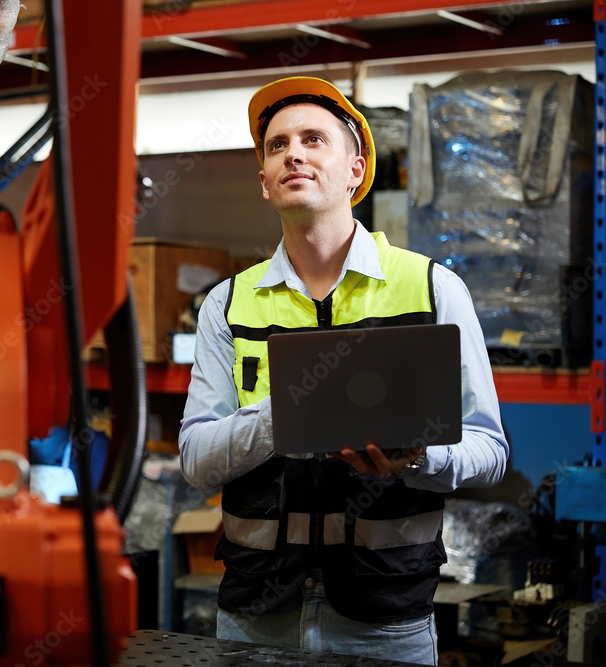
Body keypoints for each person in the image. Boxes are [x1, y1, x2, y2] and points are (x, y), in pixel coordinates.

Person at [178, 76, 508, 665]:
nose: (293, 154)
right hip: (257, 614)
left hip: (386, 618)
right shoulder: (227, 303)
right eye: (277, 146)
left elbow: (489, 449)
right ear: (264, 182)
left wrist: (420, 458)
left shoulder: (432, 289)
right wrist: (288, 418)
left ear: (356, 170)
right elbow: (198, 461)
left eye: (312, 139)